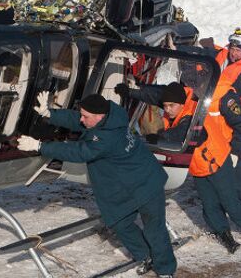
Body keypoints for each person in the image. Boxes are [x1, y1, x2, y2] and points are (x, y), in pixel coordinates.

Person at [18, 92, 176, 278]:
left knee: (154, 229)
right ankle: (146, 256)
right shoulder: (107, 117)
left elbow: (79, 152)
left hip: (147, 183)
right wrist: (49, 113)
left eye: (86, 116)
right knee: (119, 223)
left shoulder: (105, 138)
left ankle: (166, 270)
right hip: (128, 181)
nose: (82, 119)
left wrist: (40, 147)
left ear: (99, 117)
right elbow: (77, 119)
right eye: (83, 114)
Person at [188, 78, 241, 253]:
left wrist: (236, 152)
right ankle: (222, 230)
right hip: (206, 154)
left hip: (228, 150)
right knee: (211, 198)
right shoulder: (190, 93)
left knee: (238, 189)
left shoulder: (224, 95)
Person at [202, 29, 241, 191]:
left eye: (238, 51)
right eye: (232, 49)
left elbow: (236, 90)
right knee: (225, 149)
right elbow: (217, 54)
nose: (233, 53)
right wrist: (207, 47)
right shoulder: (227, 56)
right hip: (228, 113)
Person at [115, 82, 197, 144]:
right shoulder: (178, 98)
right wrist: (129, 92)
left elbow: (181, 133)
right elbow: (155, 95)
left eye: (171, 105)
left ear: (182, 104)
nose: (167, 110)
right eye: (165, 105)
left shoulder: (191, 116)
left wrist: (157, 138)